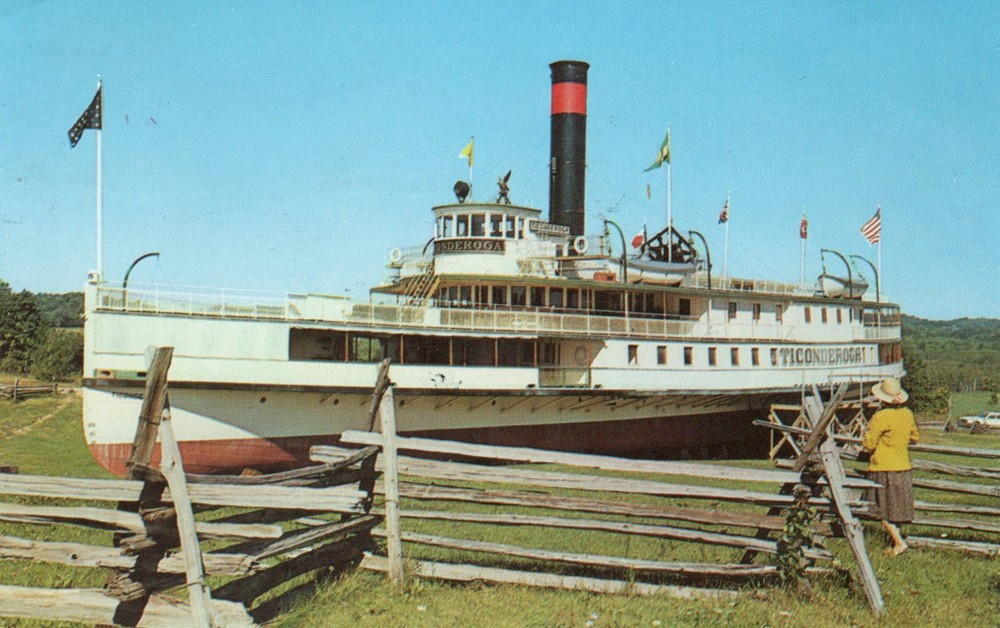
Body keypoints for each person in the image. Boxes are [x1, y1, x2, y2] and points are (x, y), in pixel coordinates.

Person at [862, 377, 920, 555]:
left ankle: (899, 542)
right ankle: (896, 541)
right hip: (902, 466)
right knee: (896, 507)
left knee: (879, 508)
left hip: (883, 466)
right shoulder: (907, 414)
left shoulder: (881, 416)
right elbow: (915, 437)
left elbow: (869, 444)